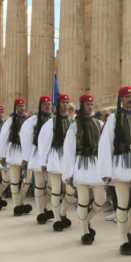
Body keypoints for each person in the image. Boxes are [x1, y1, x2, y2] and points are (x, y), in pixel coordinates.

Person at [99, 86, 131, 255]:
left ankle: (126, 230)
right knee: (123, 204)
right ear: (121, 99)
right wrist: (106, 170)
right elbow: (105, 144)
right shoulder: (113, 118)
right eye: (127, 96)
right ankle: (123, 241)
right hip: (120, 164)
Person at [63, 94, 104, 245]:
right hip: (80, 163)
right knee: (83, 201)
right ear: (82, 105)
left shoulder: (99, 124)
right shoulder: (74, 125)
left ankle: (85, 221)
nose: (90, 107)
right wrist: (68, 173)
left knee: (100, 199)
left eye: (92, 104)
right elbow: (68, 150)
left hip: (95, 163)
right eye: (88, 104)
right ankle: (84, 232)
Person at [36, 95, 77, 231]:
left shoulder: (73, 122)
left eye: (67, 102)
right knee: (56, 190)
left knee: (70, 190)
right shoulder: (51, 122)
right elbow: (44, 143)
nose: (66, 105)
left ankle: (62, 212)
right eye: (63, 102)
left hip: (69, 159)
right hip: (55, 158)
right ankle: (57, 219)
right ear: (58, 104)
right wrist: (43, 161)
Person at [20, 96, 54, 223]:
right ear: (40, 105)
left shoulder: (55, 119)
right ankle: (40, 212)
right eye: (45, 104)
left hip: (52, 154)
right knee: (39, 185)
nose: (47, 106)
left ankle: (43, 207)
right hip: (37, 154)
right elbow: (26, 140)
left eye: (49, 104)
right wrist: (25, 158)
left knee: (51, 186)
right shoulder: (32, 121)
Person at [0, 98, 31, 216]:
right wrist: (2, 155)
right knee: (15, 181)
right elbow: (3, 138)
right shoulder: (10, 121)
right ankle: (16, 205)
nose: (22, 108)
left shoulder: (29, 120)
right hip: (14, 152)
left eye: (23, 105)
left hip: (26, 153)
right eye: (19, 106)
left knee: (27, 181)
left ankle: (20, 202)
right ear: (16, 107)